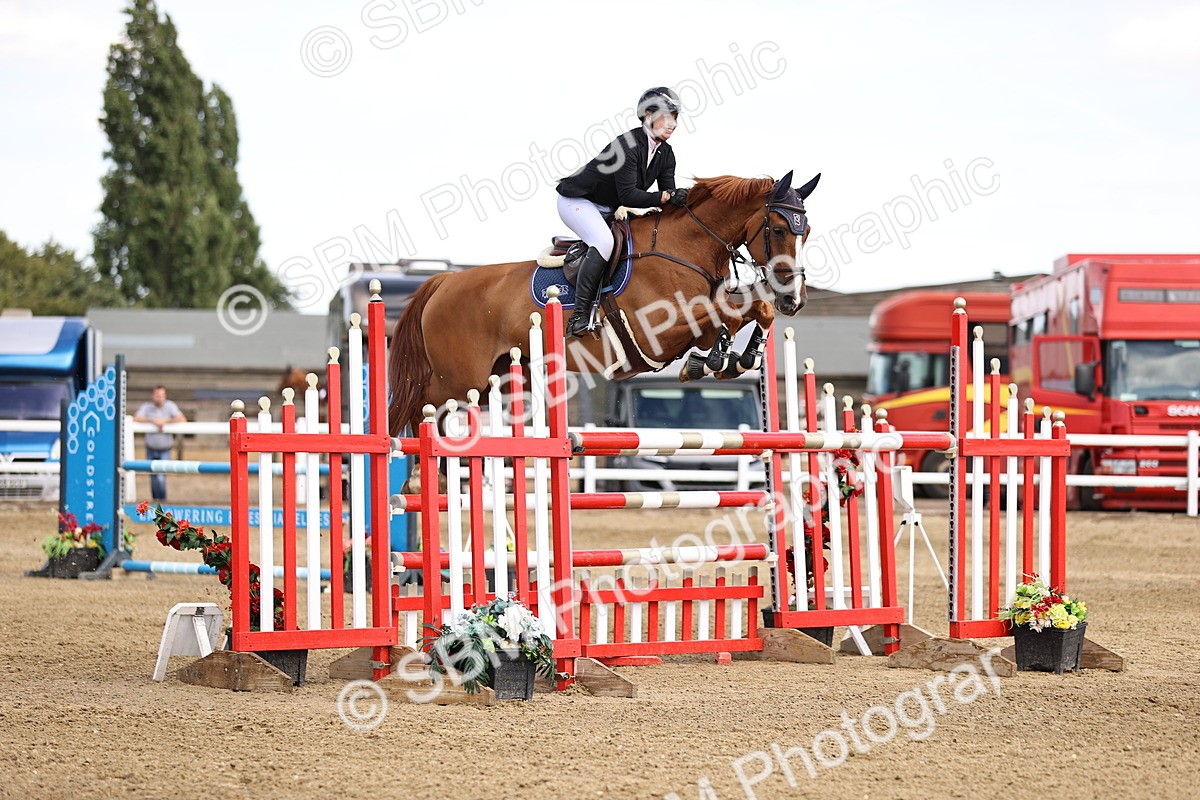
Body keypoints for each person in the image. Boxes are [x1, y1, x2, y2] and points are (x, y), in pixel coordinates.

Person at [556, 86, 691, 338]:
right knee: (604, 242)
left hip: (608, 208)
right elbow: (629, 195)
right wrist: (664, 197)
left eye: (676, 117)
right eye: (666, 116)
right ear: (647, 115)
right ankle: (579, 315)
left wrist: (680, 198)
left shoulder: (666, 153)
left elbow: (667, 193)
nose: (673, 123)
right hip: (577, 202)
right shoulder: (627, 145)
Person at [133, 385, 187, 501]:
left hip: (165, 448)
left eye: (161, 395)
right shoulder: (147, 407)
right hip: (150, 447)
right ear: (153, 396)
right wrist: (152, 421)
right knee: (153, 476)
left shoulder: (170, 406)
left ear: (165, 396)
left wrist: (165, 421)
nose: (159, 398)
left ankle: (162, 500)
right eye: (157, 395)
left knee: (161, 476)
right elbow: (136, 418)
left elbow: (182, 419)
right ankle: (155, 500)